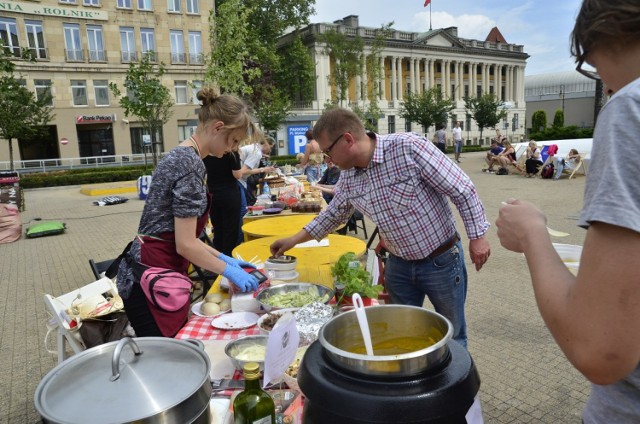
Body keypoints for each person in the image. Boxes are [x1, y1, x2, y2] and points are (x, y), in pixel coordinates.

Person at [496, 1, 640, 421]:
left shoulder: (631, 108)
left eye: (594, 69)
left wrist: (533, 234)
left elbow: (601, 348)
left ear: (600, 41)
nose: (606, 87)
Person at [269, 108, 491, 348]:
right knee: (403, 335)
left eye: (327, 151)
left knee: (452, 335)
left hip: (441, 260)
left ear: (348, 140)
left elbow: (462, 189)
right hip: (399, 266)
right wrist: (292, 240)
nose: (326, 159)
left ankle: (455, 384)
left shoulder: (408, 148)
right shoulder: (349, 176)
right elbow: (333, 215)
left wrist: (477, 237)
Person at [116, 89, 260, 337]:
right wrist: (227, 270)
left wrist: (226, 258)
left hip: (150, 270)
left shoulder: (182, 155)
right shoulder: (191, 166)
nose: (233, 149)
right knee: (165, 360)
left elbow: (189, 240)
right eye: (234, 141)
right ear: (217, 128)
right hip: (149, 276)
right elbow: (185, 245)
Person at [203, 151, 242, 256]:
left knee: (218, 228)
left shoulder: (205, 154)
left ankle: (219, 257)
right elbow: (237, 175)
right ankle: (229, 259)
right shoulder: (232, 153)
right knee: (230, 229)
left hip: (212, 195)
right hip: (230, 194)